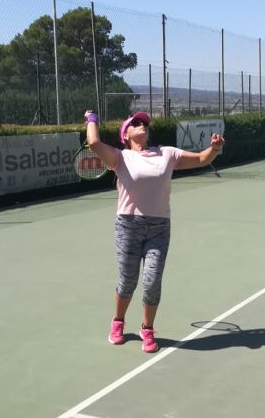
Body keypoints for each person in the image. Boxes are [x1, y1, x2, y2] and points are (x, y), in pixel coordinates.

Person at [83, 110, 225, 353]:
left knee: (152, 281)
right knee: (128, 280)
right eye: (136, 123)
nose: (142, 124)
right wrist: (92, 119)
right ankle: (118, 322)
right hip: (128, 226)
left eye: (145, 123)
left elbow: (202, 159)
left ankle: (147, 329)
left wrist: (214, 148)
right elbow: (94, 143)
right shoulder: (120, 157)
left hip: (159, 228)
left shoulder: (167, 154)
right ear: (126, 134)